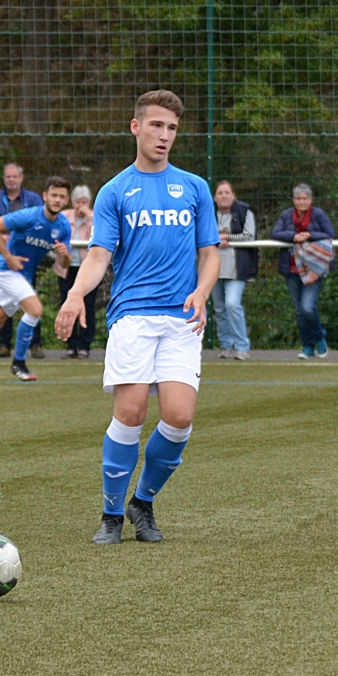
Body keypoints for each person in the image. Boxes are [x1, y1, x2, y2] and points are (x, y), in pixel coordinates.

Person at [55, 89, 219, 545]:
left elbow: (209, 254)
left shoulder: (194, 187)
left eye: (172, 128)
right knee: (130, 412)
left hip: (182, 318)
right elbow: (98, 256)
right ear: (136, 127)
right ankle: (111, 515)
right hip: (132, 314)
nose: (164, 135)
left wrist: (202, 291)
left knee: (179, 417)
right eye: (156, 125)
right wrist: (75, 295)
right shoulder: (115, 191)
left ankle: (142, 502)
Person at [0, 176, 72, 385]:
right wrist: (8, 257)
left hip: (23, 277)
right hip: (6, 271)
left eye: (62, 197)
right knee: (35, 310)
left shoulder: (63, 227)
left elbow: (64, 265)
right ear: (45, 196)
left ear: (67, 200)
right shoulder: (28, 216)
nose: (57, 200)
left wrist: (64, 255)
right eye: (54, 195)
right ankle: (19, 362)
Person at [0, 163, 45, 359]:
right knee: (3, 304)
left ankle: (35, 344)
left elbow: (42, 222)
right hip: (0, 259)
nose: (11, 180)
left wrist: (18, 237)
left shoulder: (33, 199)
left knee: (30, 302)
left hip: (26, 261)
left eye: (14, 177)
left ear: (21, 178)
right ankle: (4, 345)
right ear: (4, 178)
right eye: (8, 177)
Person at [270, 183, 336, 359]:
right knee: (299, 311)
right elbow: (275, 233)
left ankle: (319, 337)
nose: (301, 202)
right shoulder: (286, 215)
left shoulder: (318, 215)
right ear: (293, 200)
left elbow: (331, 233)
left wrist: (309, 235)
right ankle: (307, 347)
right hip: (291, 268)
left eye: (304, 198)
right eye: (298, 198)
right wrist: (293, 237)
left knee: (307, 308)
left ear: (310, 200)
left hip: (313, 268)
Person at [212, 180, 257, 360]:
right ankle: (225, 346)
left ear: (233, 195)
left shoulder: (245, 212)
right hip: (213, 267)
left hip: (237, 267)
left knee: (232, 304)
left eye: (227, 193)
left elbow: (249, 236)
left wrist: (228, 237)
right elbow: (200, 234)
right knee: (219, 308)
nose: (223, 196)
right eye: (220, 193)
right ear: (215, 197)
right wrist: (216, 240)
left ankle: (241, 346)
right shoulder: (207, 212)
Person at [55, 184, 98, 359]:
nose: (80, 205)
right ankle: (71, 345)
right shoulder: (64, 216)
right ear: (72, 202)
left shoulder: (95, 217)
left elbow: (100, 234)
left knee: (88, 306)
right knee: (67, 303)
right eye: (77, 202)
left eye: (84, 202)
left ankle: (85, 346)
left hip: (88, 269)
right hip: (67, 268)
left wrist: (89, 216)